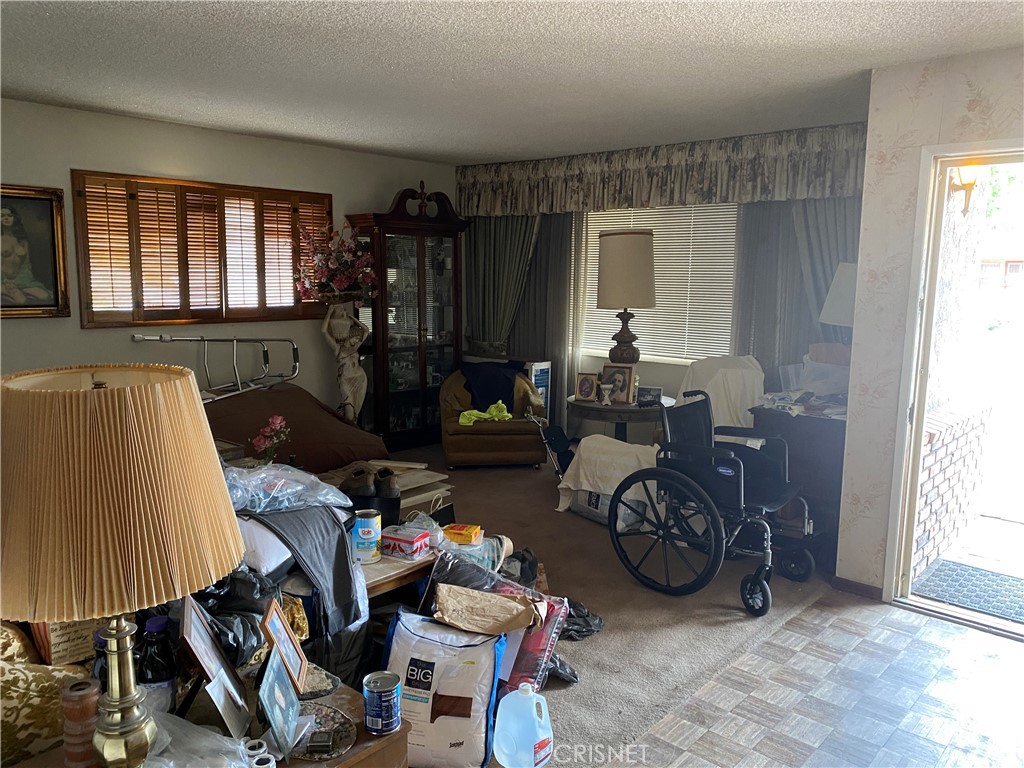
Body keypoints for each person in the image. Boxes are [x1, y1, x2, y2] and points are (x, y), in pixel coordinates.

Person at [322, 302, 370, 422]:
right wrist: (330, 312)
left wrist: (351, 318)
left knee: (356, 411)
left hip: (360, 377)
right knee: (349, 412)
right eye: (356, 338)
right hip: (347, 380)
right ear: (350, 335)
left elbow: (366, 330)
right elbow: (323, 331)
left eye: (358, 340)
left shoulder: (355, 347)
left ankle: (354, 435)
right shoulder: (338, 348)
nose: (357, 341)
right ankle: (349, 432)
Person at [1, 204, 52, 306]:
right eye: (2, 215)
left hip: (22, 280)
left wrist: (19, 282)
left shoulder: (22, 240)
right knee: (21, 301)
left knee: (44, 296)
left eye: (9, 215)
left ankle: (18, 291)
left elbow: (26, 265)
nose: (6, 218)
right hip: (3, 281)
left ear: (15, 218)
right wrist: (5, 281)